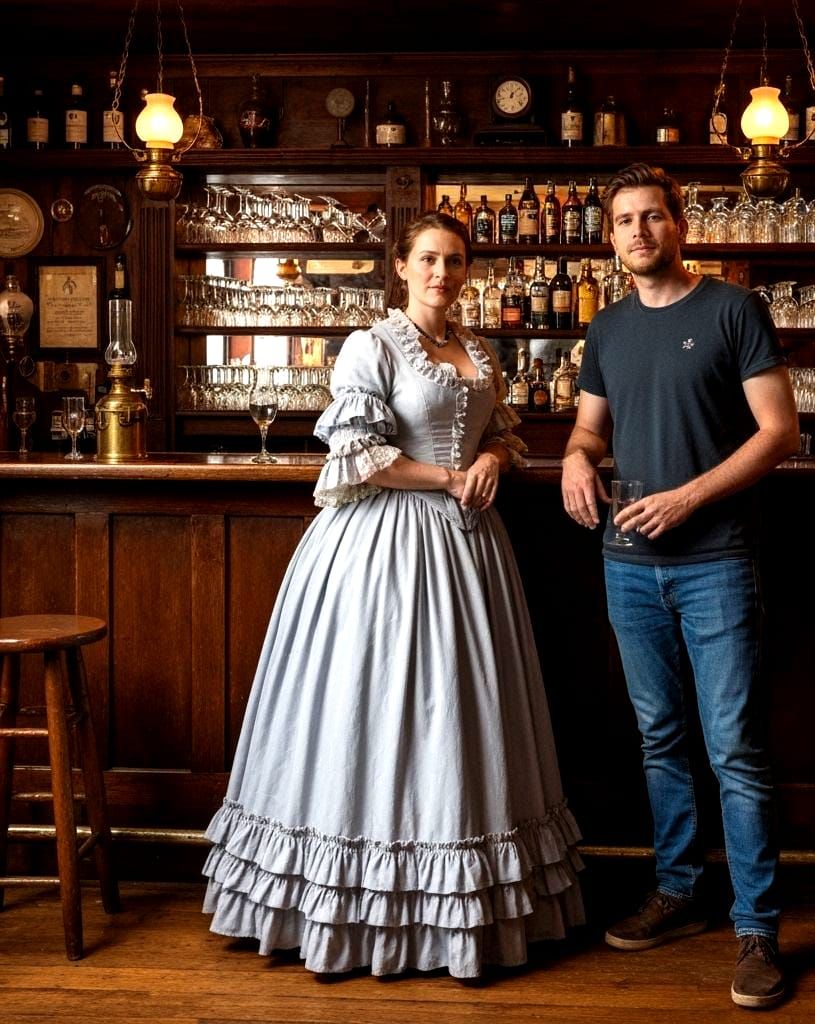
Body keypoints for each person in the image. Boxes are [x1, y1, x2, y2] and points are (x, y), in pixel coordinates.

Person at [203, 212, 584, 979]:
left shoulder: (479, 352)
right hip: (381, 549)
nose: (443, 273)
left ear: (468, 271)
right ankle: (350, 910)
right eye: (429, 260)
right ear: (402, 267)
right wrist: (450, 476)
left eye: (455, 260)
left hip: (470, 554)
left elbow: (504, 437)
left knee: (459, 714)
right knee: (369, 710)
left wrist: (490, 460)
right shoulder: (371, 346)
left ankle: (456, 909)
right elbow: (360, 455)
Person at [560, 164, 799, 1010]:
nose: (638, 231)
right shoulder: (609, 326)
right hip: (627, 566)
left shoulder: (733, 309)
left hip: (717, 561)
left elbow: (780, 433)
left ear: (678, 226)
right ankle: (678, 892)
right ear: (610, 236)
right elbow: (590, 428)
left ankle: (757, 929)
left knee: (734, 749)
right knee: (660, 739)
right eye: (623, 220)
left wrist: (692, 494)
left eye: (651, 216)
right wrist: (573, 460)